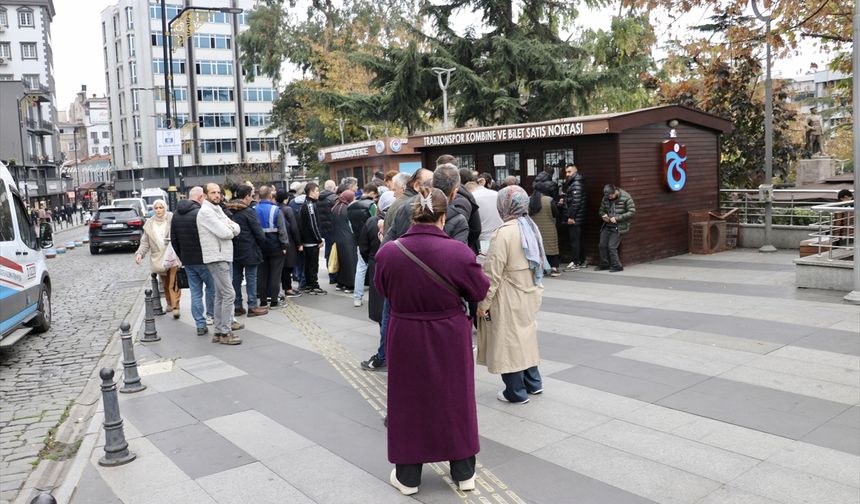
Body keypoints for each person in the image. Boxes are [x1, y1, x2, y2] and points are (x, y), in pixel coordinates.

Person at [374, 187, 490, 496]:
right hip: (450, 332)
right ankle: (464, 473)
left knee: (408, 400)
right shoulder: (458, 252)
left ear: (412, 215)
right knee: (456, 398)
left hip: (405, 332)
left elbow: (383, 289)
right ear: (443, 216)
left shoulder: (389, 252)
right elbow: (479, 291)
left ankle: (408, 476)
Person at [477, 185, 547, 404]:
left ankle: (515, 392)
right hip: (529, 291)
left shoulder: (504, 232)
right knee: (526, 337)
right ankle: (534, 383)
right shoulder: (531, 227)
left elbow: (492, 274)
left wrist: (483, 303)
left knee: (507, 341)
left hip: (508, 295)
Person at [198, 183, 243, 345]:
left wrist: (230, 228)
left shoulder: (217, 210)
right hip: (216, 257)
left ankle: (218, 331)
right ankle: (225, 331)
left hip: (222, 256)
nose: (217, 195)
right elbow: (225, 232)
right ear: (205, 195)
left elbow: (236, 227)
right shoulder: (206, 212)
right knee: (229, 294)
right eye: (213, 193)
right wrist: (230, 228)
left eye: (219, 192)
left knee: (220, 295)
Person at [171, 187, 216, 335]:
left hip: (189, 261)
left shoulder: (176, 215)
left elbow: (174, 240)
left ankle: (200, 324)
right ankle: (212, 316)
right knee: (211, 289)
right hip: (204, 259)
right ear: (201, 196)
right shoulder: (200, 213)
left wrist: (182, 256)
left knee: (196, 293)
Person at [226, 185, 268, 318]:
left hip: (233, 250)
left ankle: (238, 306)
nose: (253, 197)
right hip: (249, 250)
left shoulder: (229, 211)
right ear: (247, 196)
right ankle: (252, 306)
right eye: (252, 195)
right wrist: (262, 244)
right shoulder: (248, 211)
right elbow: (258, 232)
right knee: (251, 278)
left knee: (236, 279)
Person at [135, 199, 182, 318]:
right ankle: (170, 303)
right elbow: (145, 242)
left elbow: (180, 234)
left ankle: (176, 306)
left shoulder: (172, 219)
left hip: (172, 255)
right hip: (159, 257)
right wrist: (140, 254)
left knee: (174, 282)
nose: (159, 210)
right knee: (165, 284)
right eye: (156, 208)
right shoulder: (149, 223)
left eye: (161, 207)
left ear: (165, 208)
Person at [359, 192, 391, 328]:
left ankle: (382, 330)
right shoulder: (398, 219)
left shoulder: (372, 221)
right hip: (392, 265)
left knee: (379, 301)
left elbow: (363, 247)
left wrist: (370, 260)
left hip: (375, 262)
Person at [256, 185, 290, 308]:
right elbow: (282, 230)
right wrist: (285, 245)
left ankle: (263, 301)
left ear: (259, 196)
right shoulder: (276, 210)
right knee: (275, 274)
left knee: (261, 274)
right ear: (271, 196)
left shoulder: (253, 209)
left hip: (260, 247)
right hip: (275, 246)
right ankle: (274, 301)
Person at [348, 183, 379, 306]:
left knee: (360, 269)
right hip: (372, 240)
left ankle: (357, 297)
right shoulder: (372, 206)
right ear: (372, 193)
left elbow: (349, 226)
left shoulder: (351, 205)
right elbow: (377, 222)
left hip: (358, 240)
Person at [597, 184, 635, 272]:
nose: (609, 198)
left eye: (611, 196)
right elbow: (601, 210)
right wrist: (603, 214)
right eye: (608, 197)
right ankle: (604, 264)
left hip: (619, 226)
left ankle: (617, 266)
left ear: (616, 192)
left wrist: (617, 218)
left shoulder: (626, 197)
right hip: (607, 224)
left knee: (611, 247)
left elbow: (632, 212)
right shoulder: (606, 197)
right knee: (602, 245)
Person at [299, 182, 326, 294]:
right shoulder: (310, 205)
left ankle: (309, 284)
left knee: (308, 264)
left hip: (306, 240)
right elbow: (313, 224)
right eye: (317, 191)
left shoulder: (304, 203)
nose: (318, 193)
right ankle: (314, 285)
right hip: (311, 241)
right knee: (313, 264)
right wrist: (319, 239)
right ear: (311, 192)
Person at [276, 189, 303, 299]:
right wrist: (299, 242)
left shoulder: (276, 208)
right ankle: (288, 289)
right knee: (288, 266)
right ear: (286, 199)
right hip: (289, 241)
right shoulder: (287, 209)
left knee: (283, 266)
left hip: (279, 241)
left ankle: (286, 287)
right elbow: (294, 227)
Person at [529, 183, 561, 277]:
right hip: (549, 228)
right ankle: (554, 268)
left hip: (534, 229)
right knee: (552, 249)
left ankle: (540, 268)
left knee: (537, 248)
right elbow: (556, 214)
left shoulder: (529, 199)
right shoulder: (549, 200)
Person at [331, 190, 358, 292]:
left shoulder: (335, 207)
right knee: (350, 262)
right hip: (348, 238)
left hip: (338, 237)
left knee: (341, 262)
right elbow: (351, 225)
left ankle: (341, 283)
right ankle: (350, 285)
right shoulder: (347, 209)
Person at [561, 164, 586, 271]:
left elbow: (576, 203)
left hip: (575, 218)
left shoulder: (576, 184)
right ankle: (581, 261)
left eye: (569, 172)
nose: (567, 174)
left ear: (575, 172)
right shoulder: (576, 183)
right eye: (566, 172)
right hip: (578, 217)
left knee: (575, 241)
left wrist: (571, 217)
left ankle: (576, 263)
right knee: (578, 240)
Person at [472, 172, 503, 253]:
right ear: (489, 184)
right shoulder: (497, 195)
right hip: (499, 237)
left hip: (481, 239)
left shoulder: (472, 196)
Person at [317, 180, 338, 284]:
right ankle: (334, 273)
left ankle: (330, 271)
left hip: (324, 229)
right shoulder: (333, 198)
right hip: (333, 229)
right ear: (334, 188)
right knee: (335, 252)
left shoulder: (319, 199)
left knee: (328, 251)